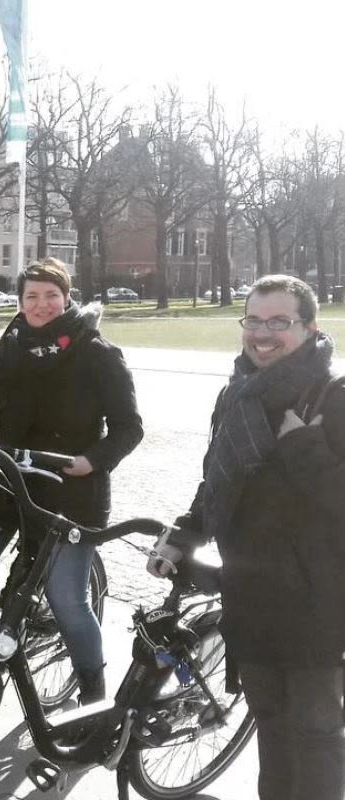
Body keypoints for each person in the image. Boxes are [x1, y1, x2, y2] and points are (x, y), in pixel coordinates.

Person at [0, 257, 143, 703]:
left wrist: (90, 461)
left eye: (51, 296)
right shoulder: (8, 351)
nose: (41, 305)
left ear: (67, 298)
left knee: (66, 600)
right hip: (6, 483)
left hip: (70, 491)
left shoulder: (98, 354)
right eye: (31, 297)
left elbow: (129, 427)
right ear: (19, 302)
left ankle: (92, 693)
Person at [149, 274, 345, 800]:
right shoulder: (234, 396)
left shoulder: (334, 396)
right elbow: (216, 481)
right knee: (272, 732)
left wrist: (304, 450)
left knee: (317, 737)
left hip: (317, 605)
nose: (262, 334)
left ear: (309, 327)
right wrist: (181, 536)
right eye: (253, 320)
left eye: (279, 322)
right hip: (251, 596)